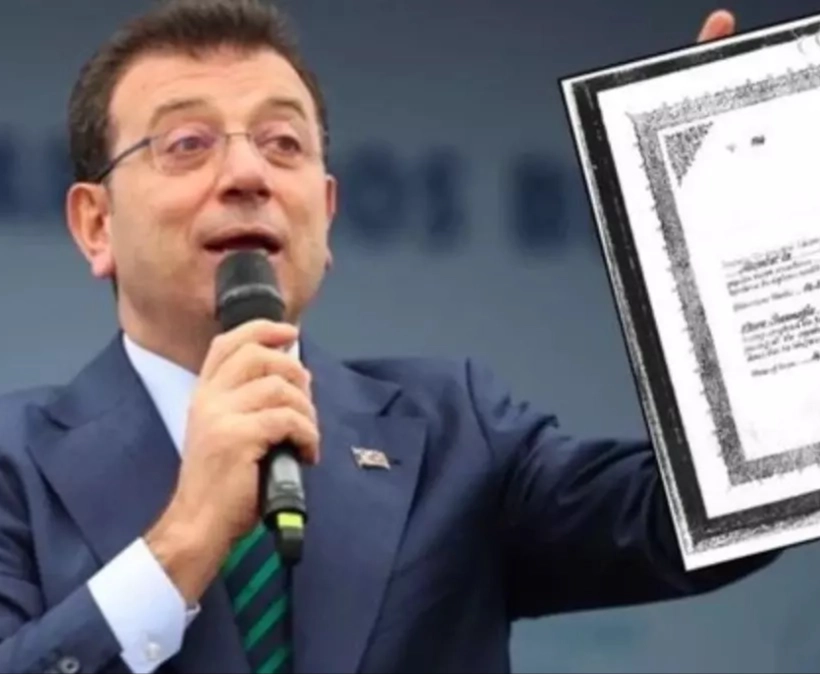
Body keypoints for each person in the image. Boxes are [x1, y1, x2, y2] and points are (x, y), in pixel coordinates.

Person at [0, 2, 751, 673]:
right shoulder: (15, 466)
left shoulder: (453, 431)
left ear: (325, 214)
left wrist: (758, 261)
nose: (247, 174)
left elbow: (697, 518)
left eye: (283, 142)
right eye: (188, 142)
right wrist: (185, 538)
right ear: (96, 224)